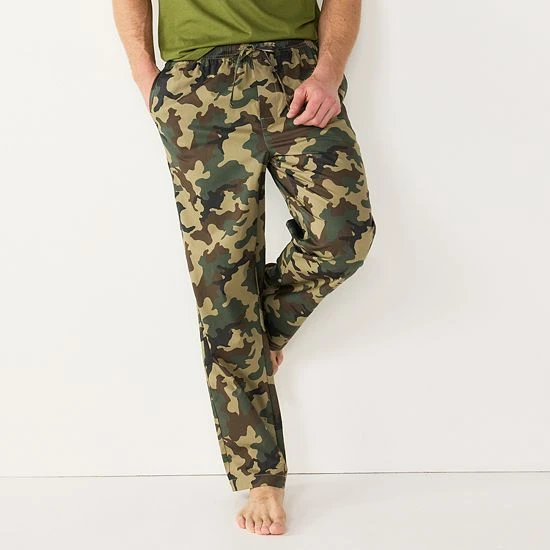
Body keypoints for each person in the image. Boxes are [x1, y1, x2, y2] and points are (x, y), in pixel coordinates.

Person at [112, 0, 376, 535]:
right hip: (197, 86)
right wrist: (146, 77)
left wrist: (328, 72)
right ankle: (261, 478)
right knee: (220, 276)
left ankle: (255, 330)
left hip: (297, 76)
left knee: (343, 236)